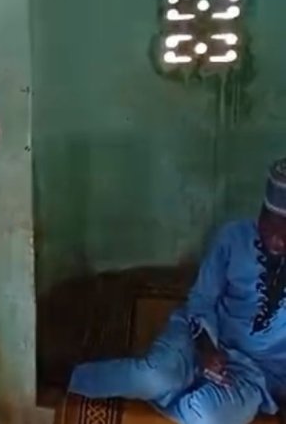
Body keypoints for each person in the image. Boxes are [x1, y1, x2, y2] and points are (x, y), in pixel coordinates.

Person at [68, 157, 286, 424]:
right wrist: (206, 349)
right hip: (201, 338)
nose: (277, 239)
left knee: (210, 417)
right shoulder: (232, 237)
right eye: (270, 224)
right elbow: (201, 299)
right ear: (261, 211)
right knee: (155, 377)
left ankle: (174, 391)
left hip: (254, 375)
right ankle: (71, 379)